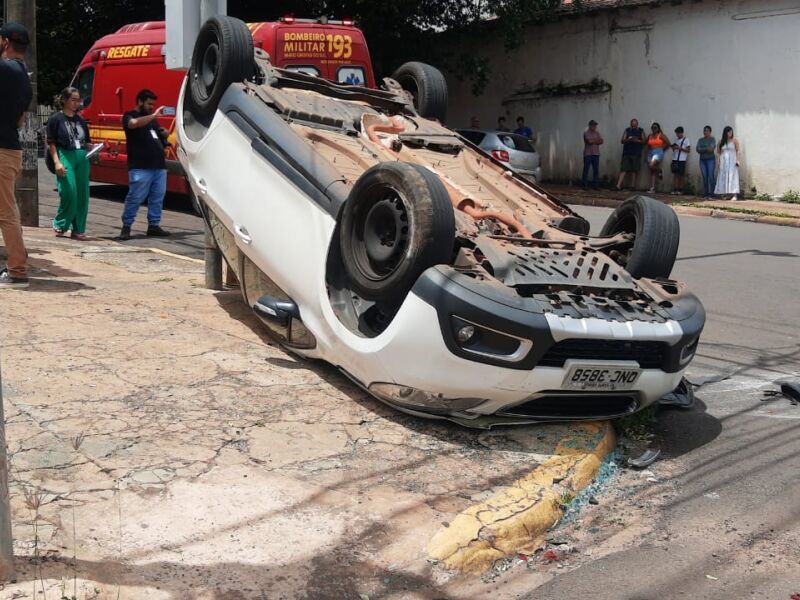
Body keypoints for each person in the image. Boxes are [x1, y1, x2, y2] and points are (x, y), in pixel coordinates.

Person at [0, 23, 33, 289]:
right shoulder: (23, 76)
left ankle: (18, 271)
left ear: (5, 42)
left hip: (1, 150)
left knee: (6, 212)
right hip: (9, 148)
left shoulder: (4, 69)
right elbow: (20, 118)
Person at [119, 89, 171, 240]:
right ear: (140, 101)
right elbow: (133, 124)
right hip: (140, 166)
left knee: (157, 197)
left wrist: (164, 133)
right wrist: (153, 116)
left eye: (153, 105)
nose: (151, 107)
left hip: (158, 165)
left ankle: (154, 225)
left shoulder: (152, 120)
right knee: (135, 196)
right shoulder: (130, 115)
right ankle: (126, 226)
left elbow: (156, 133)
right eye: (149, 104)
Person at [47, 87, 92, 239]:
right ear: (64, 100)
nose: (76, 103)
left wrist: (92, 148)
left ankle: (78, 228)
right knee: (69, 191)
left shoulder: (80, 120)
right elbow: (51, 143)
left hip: (82, 156)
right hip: (65, 154)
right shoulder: (56, 119)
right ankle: (60, 223)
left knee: (83, 194)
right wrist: (57, 162)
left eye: (78, 100)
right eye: (73, 100)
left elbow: (86, 141)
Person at [615, 118, 645, 190]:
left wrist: (637, 140)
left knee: (634, 170)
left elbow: (644, 141)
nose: (633, 126)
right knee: (624, 169)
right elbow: (622, 140)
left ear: (637, 124)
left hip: (636, 152)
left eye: (635, 125)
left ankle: (632, 186)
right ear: (631, 124)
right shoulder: (627, 130)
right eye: (632, 125)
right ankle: (618, 185)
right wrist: (629, 139)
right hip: (627, 152)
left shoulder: (641, 130)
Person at [714, 126, 740, 200]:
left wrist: (738, 160)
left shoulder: (735, 141)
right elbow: (718, 152)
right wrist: (718, 161)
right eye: (729, 132)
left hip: (732, 161)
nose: (730, 133)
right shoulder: (720, 141)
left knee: (733, 176)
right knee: (724, 176)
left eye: (731, 132)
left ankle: (734, 194)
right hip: (724, 161)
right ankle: (726, 193)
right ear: (725, 133)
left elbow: (738, 151)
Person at [645, 122, 670, 193]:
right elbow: (647, 144)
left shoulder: (661, 135)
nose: (653, 129)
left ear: (658, 128)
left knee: (651, 165)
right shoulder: (650, 136)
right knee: (651, 170)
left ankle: (659, 170)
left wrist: (662, 150)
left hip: (658, 152)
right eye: (652, 128)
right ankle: (652, 188)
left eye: (655, 128)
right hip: (650, 152)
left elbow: (668, 143)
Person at [696, 126, 717, 199]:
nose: (705, 132)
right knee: (705, 177)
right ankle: (706, 193)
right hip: (702, 160)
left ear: (710, 132)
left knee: (711, 176)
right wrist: (706, 148)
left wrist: (702, 149)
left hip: (710, 159)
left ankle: (712, 193)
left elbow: (711, 149)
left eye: (707, 131)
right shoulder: (700, 140)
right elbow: (698, 149)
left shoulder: (712, 139)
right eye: (704, 130)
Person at [581, 119, 603, 189]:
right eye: (593, 125)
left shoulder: (597, 133)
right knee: (586, 169)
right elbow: (588, 142)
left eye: (595, 125)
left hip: (596, 153)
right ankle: (584, 185)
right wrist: (596, 141)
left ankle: (595, 185)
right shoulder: (586, 133)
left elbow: (601, 141)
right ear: (590, 126)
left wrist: (593, 141)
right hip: (588, 153)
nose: (595, 127)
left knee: (596, 170)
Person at [669, 126, 691, 195]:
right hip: (675, 159)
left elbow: (688, 150)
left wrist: (679, 148)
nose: (677, 135)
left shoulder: (686, 140)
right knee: (675, 174)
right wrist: (673, 148)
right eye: (676, 133)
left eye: (678, 133)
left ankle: (681, 189)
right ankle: (675, 189)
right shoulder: (676, 140)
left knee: (681, 175)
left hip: (682, 159)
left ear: (682, 133)